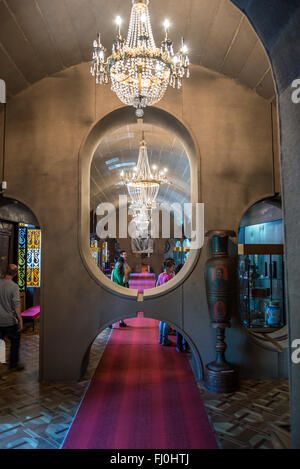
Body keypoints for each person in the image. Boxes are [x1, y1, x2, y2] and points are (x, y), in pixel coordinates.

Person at [0, 264, 24, 371]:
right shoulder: (13, 286)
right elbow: (16, 305)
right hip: (9, 321)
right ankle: (13, 365)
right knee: (15, 342)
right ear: (15, 274)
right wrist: (20, 319)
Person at [157, 259, 175, 346]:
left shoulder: (160, 275)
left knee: (162, 320)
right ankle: (165, 339)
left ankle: (160, 338)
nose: (173, 269)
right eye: (172, 267)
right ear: (169, 268)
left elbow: (157, 286)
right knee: (167, 321)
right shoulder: (169, 277)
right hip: (167, 300)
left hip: (161, 300)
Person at [174, 263, 190, 352]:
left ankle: (180, 346)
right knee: (186, 328)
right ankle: (185, 345)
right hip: (185, 306)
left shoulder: (175, 280)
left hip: (178, 307)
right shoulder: (185, 280)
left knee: (179, 328)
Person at [112, 257, 128, 328]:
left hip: (115, 290)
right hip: (122, 291)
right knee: (122, 307)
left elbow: (111, 280)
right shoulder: (124, 271)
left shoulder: (113, 271)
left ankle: (111, 322)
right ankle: (121, 322)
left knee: (115, 307)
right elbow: (125, 281)